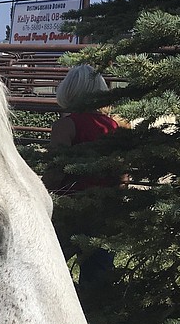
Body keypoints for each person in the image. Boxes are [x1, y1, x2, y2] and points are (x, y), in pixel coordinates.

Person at [44, 64, 124, 285]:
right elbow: (121, 177)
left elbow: (55, 174)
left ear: (68, 90)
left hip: (70, 210)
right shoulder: (113, 126)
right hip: (102, 211)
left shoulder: (65, 126)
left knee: (50, 265)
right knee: (99, 270)